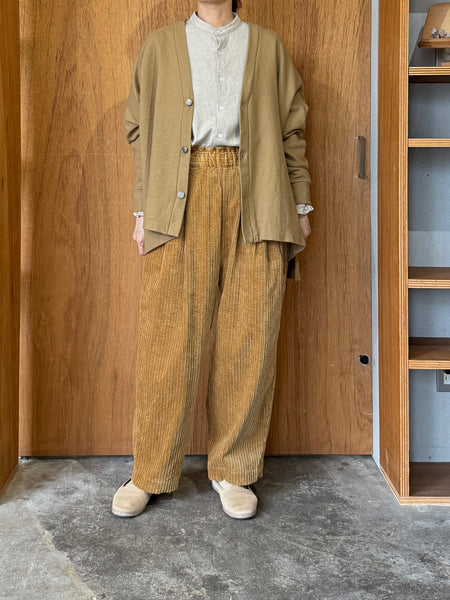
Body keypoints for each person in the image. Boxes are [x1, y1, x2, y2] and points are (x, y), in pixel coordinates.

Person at [112, 0, 313, 520]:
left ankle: (234, 470)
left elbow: (291, 131)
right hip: (179, 194)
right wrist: (143, 209)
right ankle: (150, 470)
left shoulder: (267, 45)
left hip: (259, 190)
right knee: (168, 337)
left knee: (250, 333)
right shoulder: (160, 45)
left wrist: (299, 204)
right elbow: (139, 130)